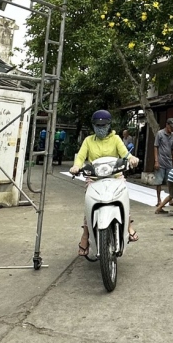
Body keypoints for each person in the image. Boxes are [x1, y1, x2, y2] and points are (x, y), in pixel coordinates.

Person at [69, 110, 139, 256]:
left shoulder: (116, 139)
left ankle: (128, 226)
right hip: (94, 179)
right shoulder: (88, 140)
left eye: (103, 125)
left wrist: (132, 159)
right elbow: (80, 157)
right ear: (93, 126)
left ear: (109, 125)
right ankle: (86, 235)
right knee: (89, 204)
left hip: (115, 177)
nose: (100, 128)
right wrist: (76, 166)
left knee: (124, 196)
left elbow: (125, 153)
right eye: (97, 125)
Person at [151, 117, 173, 214]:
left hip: (169, 162)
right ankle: (159, 200)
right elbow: (156, 147)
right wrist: (156, 161)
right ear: (167, 125)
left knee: (171, 181)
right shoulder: (160, 134)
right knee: (159, 182)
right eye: (171, 126)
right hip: (161, 161)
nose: (172, 129)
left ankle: (170, 200)